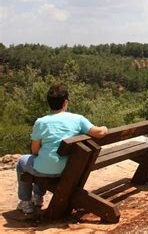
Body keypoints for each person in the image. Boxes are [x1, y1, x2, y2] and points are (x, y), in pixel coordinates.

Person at [16, 84, 108, 214]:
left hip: (44, 170)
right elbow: (99, 132)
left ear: (49, 103)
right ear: (65, 102)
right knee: (36, 161)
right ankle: (37, 197)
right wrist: (104, 128)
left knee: (22, 162)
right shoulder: (77, 119)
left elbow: (35, 151)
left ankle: (27, 202)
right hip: (69, 169)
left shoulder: (41, 122)